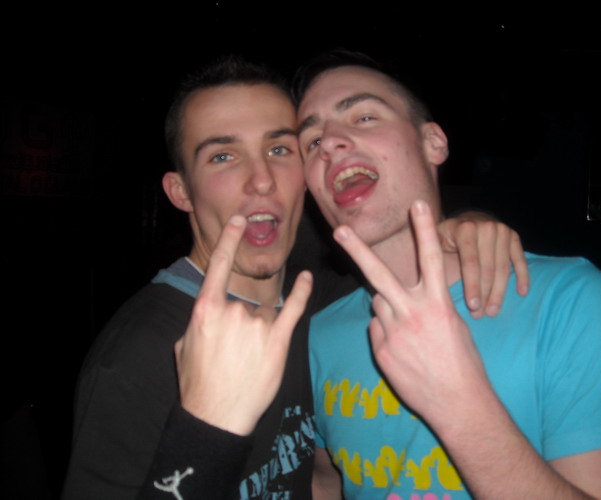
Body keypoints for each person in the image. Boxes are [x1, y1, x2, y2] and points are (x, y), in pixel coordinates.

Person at [60, 55, 529, 500]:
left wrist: (467, 227)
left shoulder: (323, 303)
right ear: (180, 191)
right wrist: (204, 428)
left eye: (280, 149)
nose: (262, 179)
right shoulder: (139, 353)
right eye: (223, 157)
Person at [294, 49, 601, 499]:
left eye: (365, 117)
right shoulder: (319, 336)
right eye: (311, 141)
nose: (330, 142)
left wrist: (459, 405)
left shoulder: (565, 299)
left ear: (433, 142)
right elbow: (326, 483)